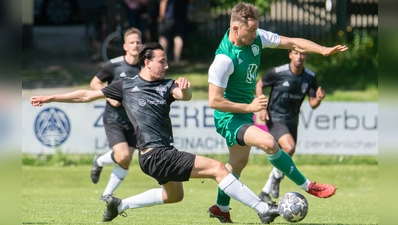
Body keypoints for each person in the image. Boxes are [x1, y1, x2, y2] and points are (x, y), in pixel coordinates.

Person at [30, 42, 282, 224]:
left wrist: (185, 91)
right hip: (154, 155)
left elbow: (184, 95)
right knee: (218, 168)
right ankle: (262, 209)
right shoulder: (126, 85)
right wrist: (51, 97)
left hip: (156, 156)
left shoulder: (167, 85)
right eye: (162, 61)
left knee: (174, 196)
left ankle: (120, 205)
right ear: (147, 62)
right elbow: (86, 94)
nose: (167, 65)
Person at [207, 2, 347, 223]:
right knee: (270, 143)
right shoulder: (223, 60)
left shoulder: (256, 38)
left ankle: (221, 208)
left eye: (256, 29)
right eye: (251, 30)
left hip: (244, 113)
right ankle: (308, 185)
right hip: (228, 117)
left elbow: (292, 42)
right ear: (235, 28)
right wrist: (251, 107)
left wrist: (322, 50)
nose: (255, 35)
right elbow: (214, 101)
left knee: (236, 165)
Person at [256, 50, 325, 204]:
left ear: (306, 56)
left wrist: (319, 99)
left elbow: (313, 103)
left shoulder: (310, 77)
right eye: (296, 53)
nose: (299, 57)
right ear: (290, 55)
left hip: (292, 120)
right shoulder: (278, 72)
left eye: (302, 54)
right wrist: (262, 107)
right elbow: (259, 84)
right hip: (275, 117)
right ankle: (275, 177)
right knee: (289, 147)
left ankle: (265, 192)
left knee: (285, 156)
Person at [89, 27, 142, 200]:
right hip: (114, 119)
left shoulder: (145, 66)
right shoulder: (114, 65)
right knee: (123, 155)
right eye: (131, 42)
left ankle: (106, 194)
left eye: (138, 42)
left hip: (135, 122)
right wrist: (110, 97)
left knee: (126, 160)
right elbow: (94, 83)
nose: (135, 45)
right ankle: (99, 161)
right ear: (125, 46)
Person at [158, 0, 190, 67]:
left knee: (163, 37)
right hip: (181, 17)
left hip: (169, 17)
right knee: (178, 37)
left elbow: (164, 1)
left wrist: (161, 16)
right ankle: (176, 62)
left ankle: (162, 61)